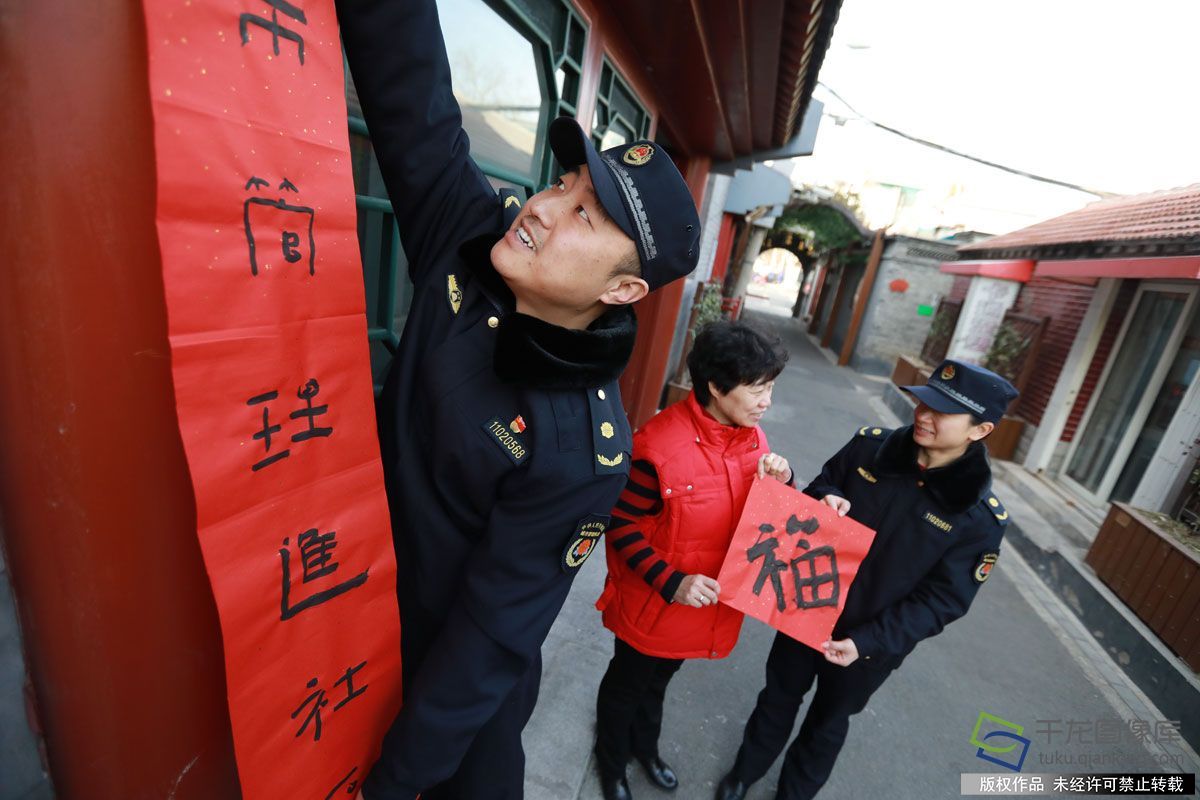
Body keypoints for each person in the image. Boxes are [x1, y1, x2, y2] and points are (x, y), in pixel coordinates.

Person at [334, 1, 702, 797]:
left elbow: (484, 642)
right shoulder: (468, 242)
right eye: (564, 181)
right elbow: (415, 103)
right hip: (344, 623)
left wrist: (395, 786)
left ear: (624, 287)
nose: (542, 205)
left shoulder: (583, 454)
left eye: (584, 215)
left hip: (447, 707)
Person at [715, 359, 1019, 800]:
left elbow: (941, 602)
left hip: (869, 645)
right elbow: (824, 483)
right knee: (777, 697)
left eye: (942, 412)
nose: (923, 414)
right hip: (807, 606)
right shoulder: (868, 448)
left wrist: (868, 642)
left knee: (828, 721)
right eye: (923, 402)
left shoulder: (978, 519)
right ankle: (743, 775)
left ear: (980, 430)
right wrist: (830, 497)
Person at [593, 321, 793, 800]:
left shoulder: (753, 439)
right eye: (758, 389)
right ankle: (611, 763)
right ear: (715, 388)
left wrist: (783, 480)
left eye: (771, 388)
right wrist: (672, 582)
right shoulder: (657, 447)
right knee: (628, 685)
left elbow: (763, 518)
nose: (767, 401)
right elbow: (619, 523)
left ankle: (646, 748)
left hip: (704, 602)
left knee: (661, 680)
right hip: (654, 600)